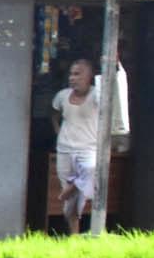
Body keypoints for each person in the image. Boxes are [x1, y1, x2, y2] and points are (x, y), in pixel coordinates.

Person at [51, 55, 130, 236]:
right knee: (71, 203)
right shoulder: (62, 96)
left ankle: (75, 185)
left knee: (91, 169)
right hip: (65, 150)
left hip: (89, 148)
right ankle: (74, 236)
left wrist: (114, 63)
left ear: (89, 76)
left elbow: (114, 91)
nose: (73, 78)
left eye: (78, 74)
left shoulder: (97, 94)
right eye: (71, 74)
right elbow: (54, 114)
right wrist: (58, 132)